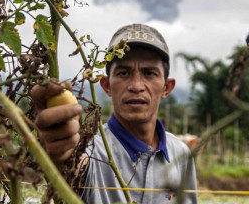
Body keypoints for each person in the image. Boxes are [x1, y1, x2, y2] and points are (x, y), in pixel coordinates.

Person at [31, 24, 198, 204]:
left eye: (149, 73)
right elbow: (73, 166)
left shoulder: (182, 153)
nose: (136, 86)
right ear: (106, 85)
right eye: (124, 73)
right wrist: (62, 152)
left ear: (166, 87)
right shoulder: (88, 149)